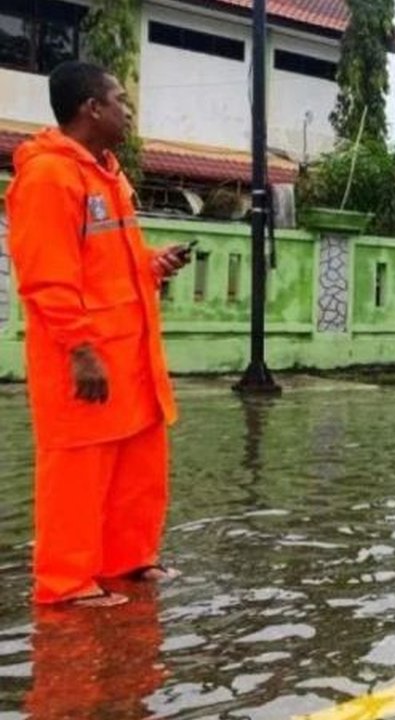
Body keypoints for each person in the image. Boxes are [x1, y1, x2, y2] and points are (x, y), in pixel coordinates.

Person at [5, 61, 191, 607]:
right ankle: (65, 584)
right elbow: (47, 277)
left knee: (137, 469)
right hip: (86, 357)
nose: (128, 111)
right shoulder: (48, 177)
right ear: (92, 108)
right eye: (120, 100)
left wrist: (155, 264)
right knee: (78, 475)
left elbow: (111, 263)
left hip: (130, 358)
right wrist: (80, 350)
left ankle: (127, 563)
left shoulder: (108, 175)